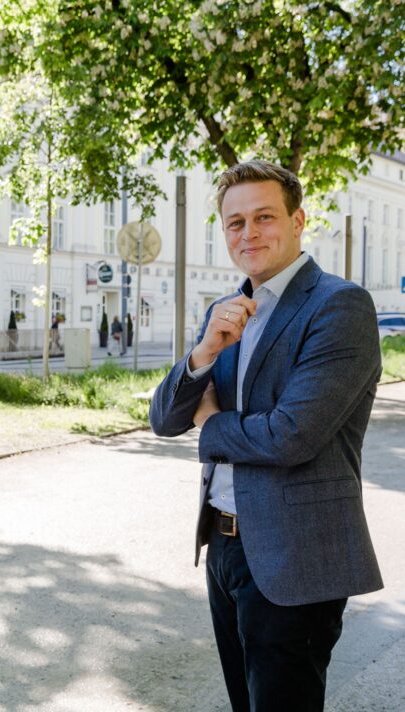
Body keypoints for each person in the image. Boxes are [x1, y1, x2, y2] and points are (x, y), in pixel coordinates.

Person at [149, 161, 383, 712]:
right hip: (225, 547)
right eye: (235, 222)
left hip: (296, 555)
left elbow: (290, 435)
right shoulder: (225, 310)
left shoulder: (338, 305)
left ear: (298, 220)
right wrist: (204, 352)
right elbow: (162, 420)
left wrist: (209, 422)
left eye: (264, 217)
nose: (249, 234)